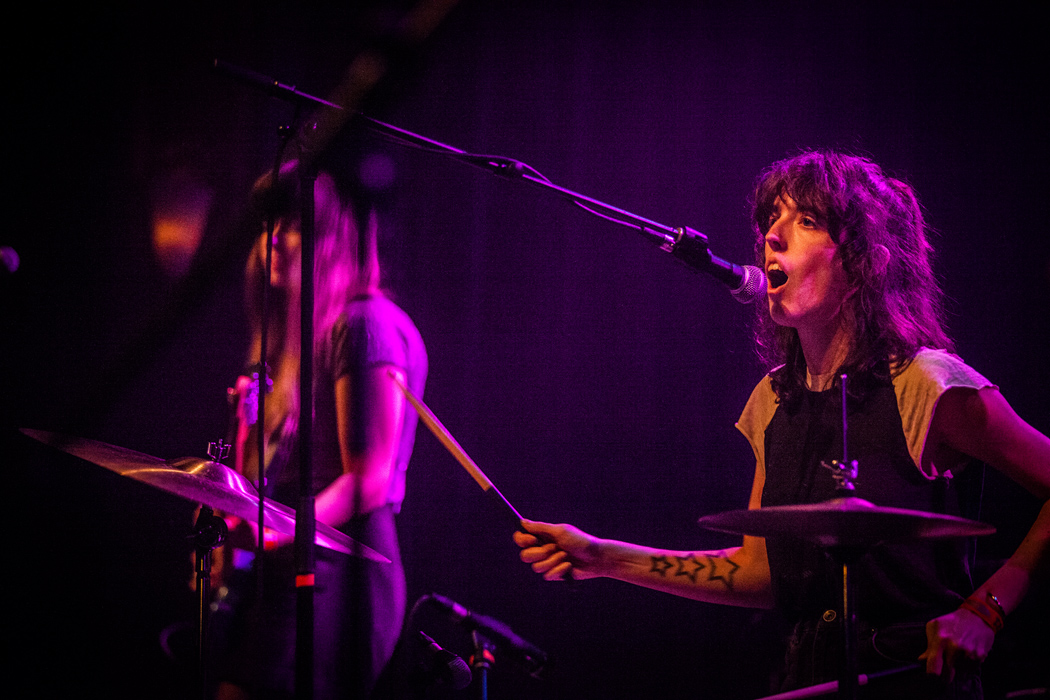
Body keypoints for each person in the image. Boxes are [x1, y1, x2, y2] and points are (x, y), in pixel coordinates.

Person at [514, 151, 1049, 697]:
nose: (772, 234)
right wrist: (604, 557)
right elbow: (760, 571)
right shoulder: (774, 398)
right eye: (771, 218)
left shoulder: (929, 384)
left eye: (806, 221)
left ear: (867, 264)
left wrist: (986, 609)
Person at [214, 163, 428, 700]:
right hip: (291, 565)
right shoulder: (292, 340)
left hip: (344, 571)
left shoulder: (362, 323)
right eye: (270, 225)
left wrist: (279, 529)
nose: (274, 240)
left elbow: (371, 478)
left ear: (335, 238)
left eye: (294, 226)